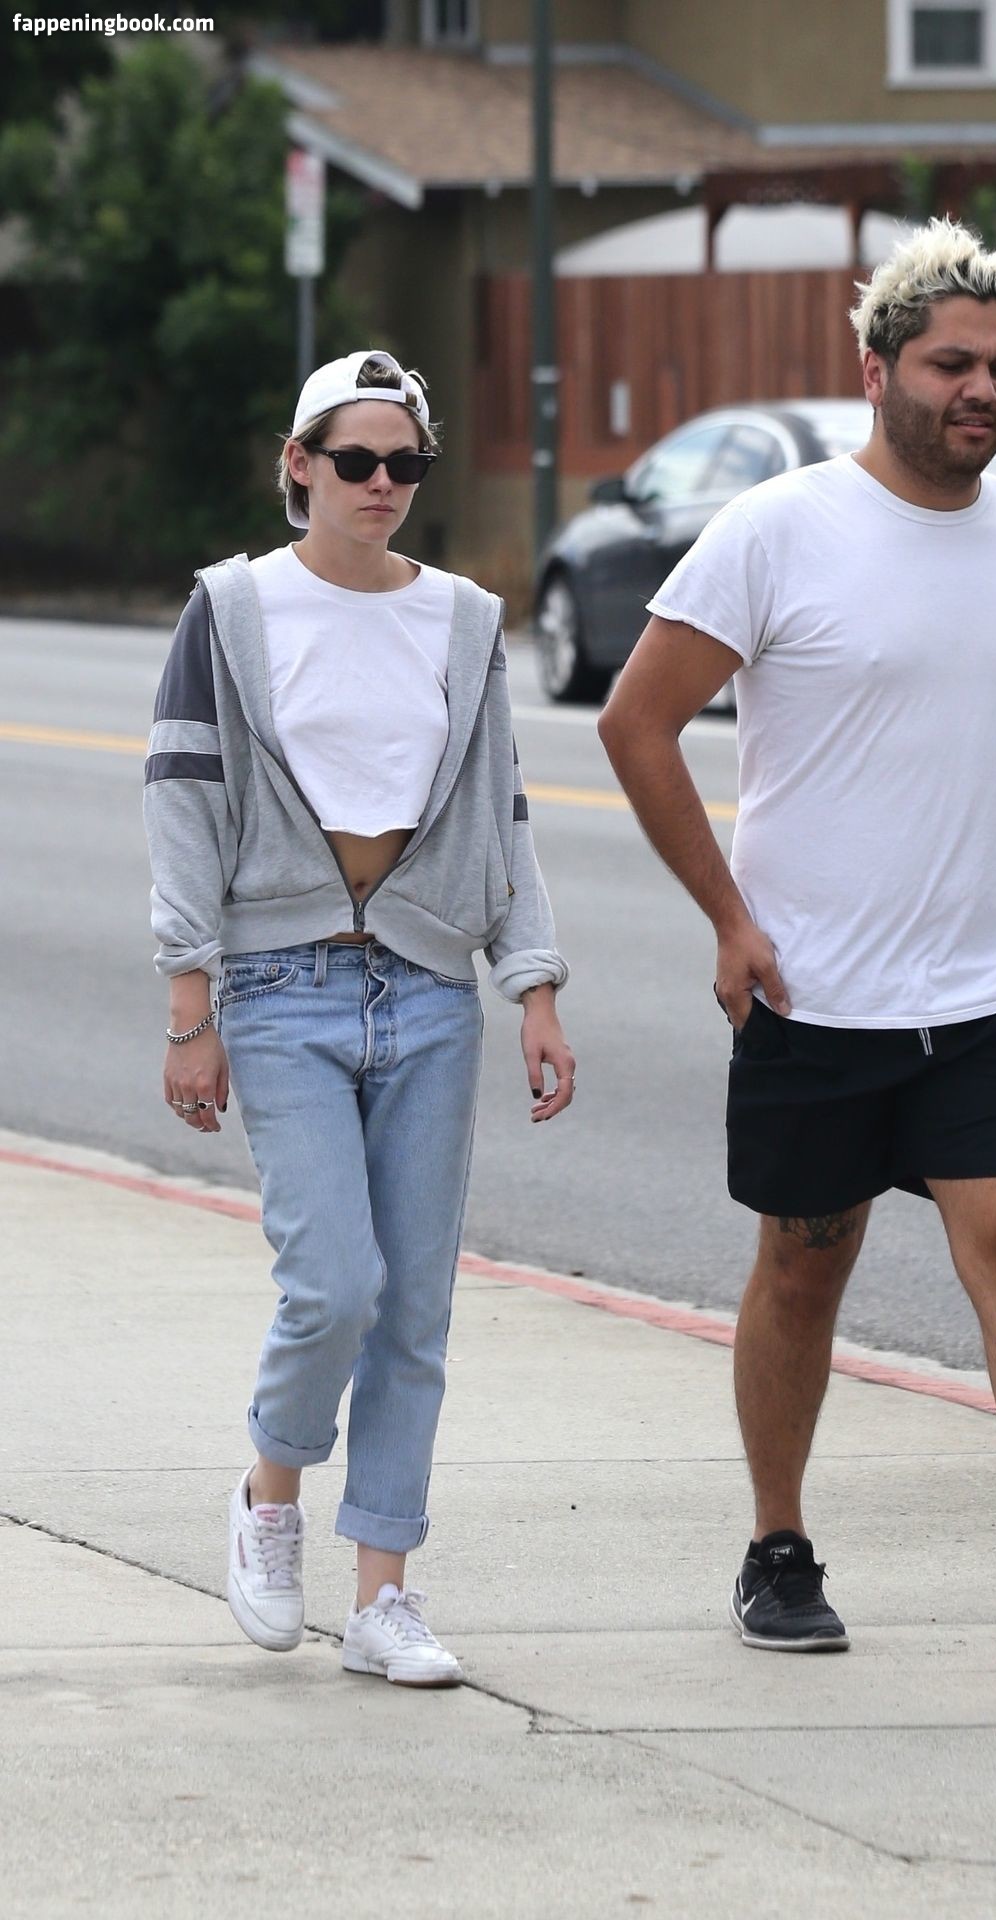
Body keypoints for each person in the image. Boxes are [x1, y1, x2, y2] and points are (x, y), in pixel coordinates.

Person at [599, 222, 996, 1683]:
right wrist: (731, 919)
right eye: (949, 365)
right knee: (803, 1268)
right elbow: (637, 723)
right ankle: (778, 1543)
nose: (981, 389)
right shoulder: (777, 531)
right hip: (817, 993)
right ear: (876, 371)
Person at [144, 348, 574, 1687]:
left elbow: (501, 808)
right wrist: (189, 1003)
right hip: (280, 987)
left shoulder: (463, 619)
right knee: (336, 1286)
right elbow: (183, 800)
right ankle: (269, 1490)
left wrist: (534, 984)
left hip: (432, 987)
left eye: (406, 464)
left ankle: (384, 1593)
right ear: (299, 465)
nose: (381, 484)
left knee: (415, 1312)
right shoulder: (232, 609)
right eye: (355, 461)